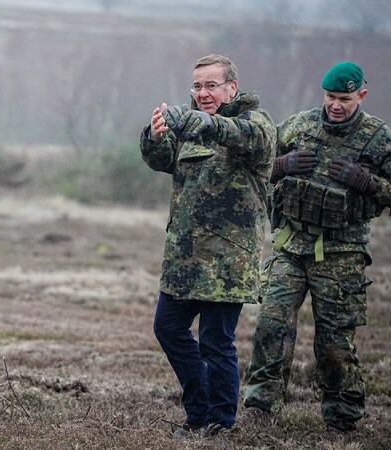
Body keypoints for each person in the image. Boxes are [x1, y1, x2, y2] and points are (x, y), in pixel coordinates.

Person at [242, 61, 391, 433]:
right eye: (330, 97)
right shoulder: (299, 125)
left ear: (362, 95)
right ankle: (262, 404)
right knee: (272, 324)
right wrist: (283, 164)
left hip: (341, 254)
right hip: (291, 245)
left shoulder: (378, 139)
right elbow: (256, 167)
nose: (335, 105)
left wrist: (366, 181)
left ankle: (342, 415)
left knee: (334, 342)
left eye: (344, 98)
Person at [139, 54, 276, 437]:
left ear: (232, 87)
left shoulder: (255, 122)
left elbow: (249, 139)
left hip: (228, 260)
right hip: (186, 258)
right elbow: (161, 161)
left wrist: (204, 123)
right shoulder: (190, 127)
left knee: (217, 341)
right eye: (197, 87)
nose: (203, 93)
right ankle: (198, 406)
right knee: (167, 328)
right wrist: (156, 135)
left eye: (211, 86)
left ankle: (218, 422)